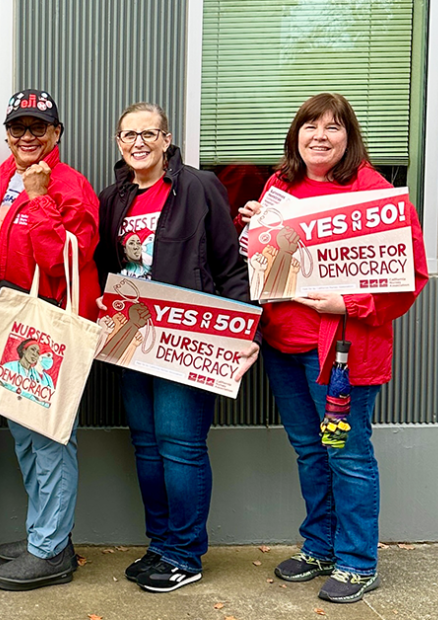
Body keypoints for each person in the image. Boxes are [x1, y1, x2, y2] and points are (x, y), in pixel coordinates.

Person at [238, 93, 428, 604]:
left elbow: (409, 275)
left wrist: (350, 302)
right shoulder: (280, 186)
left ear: (350, 136)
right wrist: (254, 235)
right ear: (296, 134)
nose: (320, 135)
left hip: (343, 354)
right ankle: (320, 546)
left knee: (347, 453)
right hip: (285, 346)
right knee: (309, 451)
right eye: (310, 126)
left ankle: (358, 561)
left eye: (333, 126)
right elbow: (271, 265)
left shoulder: (376, 194)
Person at [94, 102, 258, 593]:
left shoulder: (199, 187)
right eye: (128, 135)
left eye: (149, 133)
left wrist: (246, 332)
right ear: (118, 143)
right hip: (131, 342)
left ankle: (185, 554)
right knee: (147, 448)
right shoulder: (113, 198)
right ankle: (162, 544)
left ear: (167, 139)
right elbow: (109, 270)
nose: (138, 142)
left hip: (187, 340)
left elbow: (230, 266)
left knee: (181, 448)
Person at [0, 89, 99, 591]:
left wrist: (38, 199)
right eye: (18, 128)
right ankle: (46, 535)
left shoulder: (70, 185)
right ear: (6, 134)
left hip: (51, 320)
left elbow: (64, 260)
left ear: (56, 134)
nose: (27, 136)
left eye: (38, 128)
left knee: (50, 439)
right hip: (11, 317)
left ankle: (50, 551)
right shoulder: (0, 182)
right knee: (27, 438)